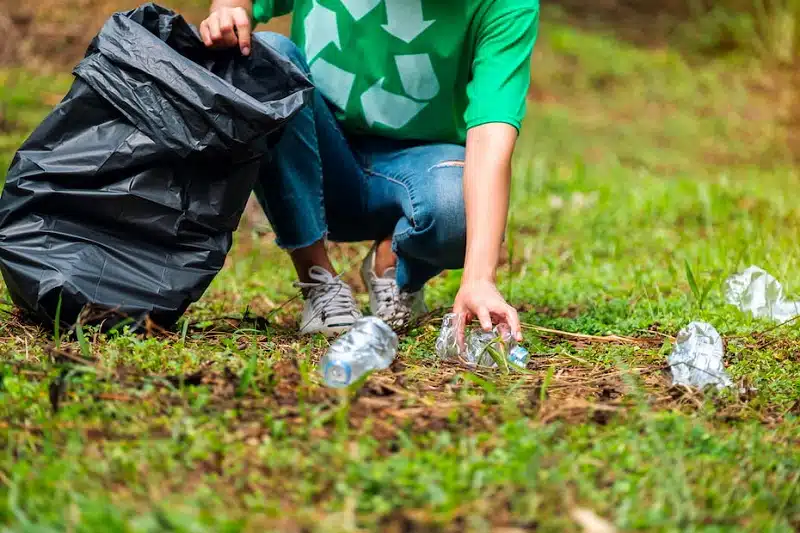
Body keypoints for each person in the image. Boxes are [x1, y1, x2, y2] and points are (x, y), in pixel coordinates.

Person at [200, 0, 538, 339]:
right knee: (269, 56)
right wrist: (227, 12)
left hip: (421, 167)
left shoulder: (506, 6)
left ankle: (394, 264)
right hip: (320, 156)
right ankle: (316, 277)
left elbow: (491, 138)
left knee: (458, 210)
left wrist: (479, 279)